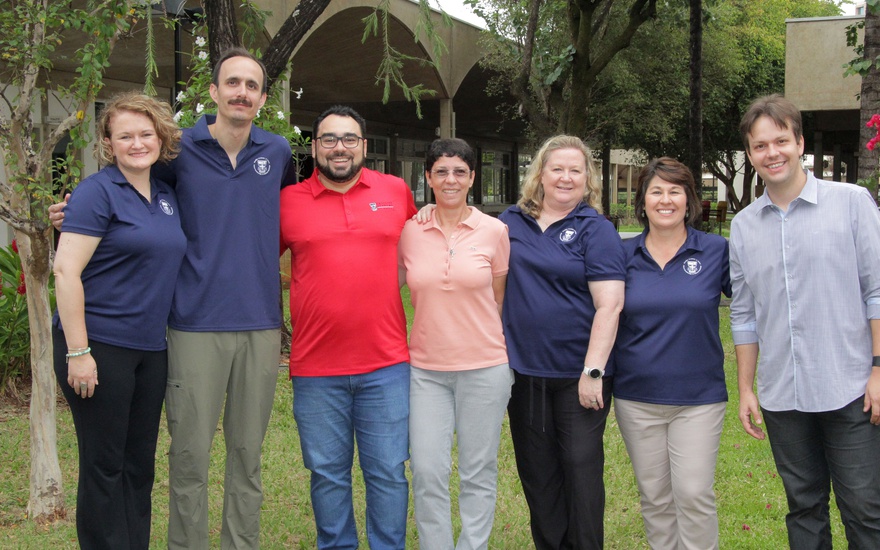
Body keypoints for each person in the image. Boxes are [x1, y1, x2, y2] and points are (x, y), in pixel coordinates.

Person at [51, 48, 294, 549]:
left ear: (263, 98)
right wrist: (75, 211)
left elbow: (290, 214)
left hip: (260, 324)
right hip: (190, 325)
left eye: (251, 85)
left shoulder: (279, 151)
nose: (241, 92)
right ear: (213, 91)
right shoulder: (177, 153)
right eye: (232, 82)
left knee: (246, 455)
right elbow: (123, 193)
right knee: (188, 458)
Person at [731, 94, 880, 549]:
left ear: (799, 143)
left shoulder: (852, 203)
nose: (772, 153)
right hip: (783, 396)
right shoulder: (743, 226)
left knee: (865, 508)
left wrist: (878, 368)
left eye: (781, 140)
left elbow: (877, 289)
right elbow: (744, 313)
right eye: (760, 145)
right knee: (804, 508)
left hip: (851, 388)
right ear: (751, 154)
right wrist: (746, 388)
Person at [53, 92, 186, 549]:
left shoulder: (166, 193)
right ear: (108, 143)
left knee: (138, 465)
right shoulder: (97, 192)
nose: (136, 143)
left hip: (150, 349)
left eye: (145, 134)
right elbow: (66, 270)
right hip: (99, 345)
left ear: (161, 137)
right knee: (104, 464)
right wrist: (78, 352)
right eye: (124, 135)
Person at [279, 105, 416, 549]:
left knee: (388, 471)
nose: (340, 148)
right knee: (327, 474)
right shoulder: (288, 201)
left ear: (364, 145)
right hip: (316, 367)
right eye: (330, 139)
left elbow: (433, 239)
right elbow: (245, 248)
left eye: (350, 139)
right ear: (315, 146)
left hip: (387, 363)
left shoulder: (395, 191)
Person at [500, 134, 625, 549]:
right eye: (557, 168)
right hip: (523, 372)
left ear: (587, 177)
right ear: (540, 174)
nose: (566, 178)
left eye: (576, 170)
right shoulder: (509, 222)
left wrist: (593, 371)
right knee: (539, 475)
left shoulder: (596, 229)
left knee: (580, 470)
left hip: (579, 375)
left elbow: (609, 305)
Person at [399, 138, 512, 549]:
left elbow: (498, 297)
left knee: (477, 470)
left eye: (459, 172)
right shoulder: (409, 231)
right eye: (441, 171)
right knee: (427, 470)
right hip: (425, 372)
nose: (450, 180)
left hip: (485, 368)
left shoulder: (495, 231)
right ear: (427, 177)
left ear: (472, 179)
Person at [612, 158, 731, 550]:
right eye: (656, 191)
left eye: (675, 191)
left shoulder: (715, 250)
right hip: (636, 397)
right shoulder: (620, 254)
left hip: (698, 398)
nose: (665, 200)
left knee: (693, 494)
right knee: (656, 498)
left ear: (689, 199)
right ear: (642, 200)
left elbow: (756, 304)